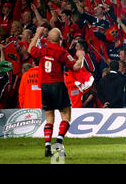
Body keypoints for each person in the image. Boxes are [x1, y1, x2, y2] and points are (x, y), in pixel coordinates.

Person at [28, 27, 85, 157]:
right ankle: (58, 143)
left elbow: (30, 50)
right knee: (66, 116)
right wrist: (81, 57)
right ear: (60, 39)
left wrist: (37, 34)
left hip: (45, 87)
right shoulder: (62, 52)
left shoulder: (43, 49)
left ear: (48, 39)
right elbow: (76, 67)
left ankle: (47, 146)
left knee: (49, 118)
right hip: (58, 85)